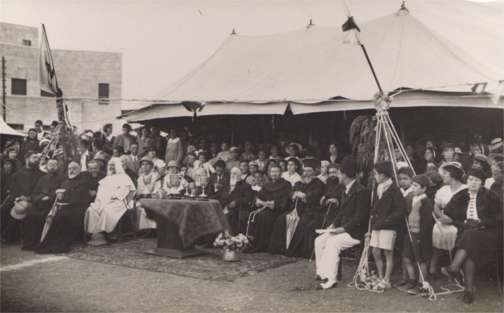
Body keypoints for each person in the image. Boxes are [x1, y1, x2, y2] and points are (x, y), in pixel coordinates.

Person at [441, 168, 502, 304]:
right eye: (470, 179)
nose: (473, 182)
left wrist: (481, 222)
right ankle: (469, 290)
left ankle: (454, 268)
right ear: (466, 180)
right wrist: (461, 222)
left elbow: (499, 218)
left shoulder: (490, 196)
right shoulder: (460, 195)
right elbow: (448, 214)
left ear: (481, 182)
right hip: (467, 235)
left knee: (471, 236)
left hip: (488, 234)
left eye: (476, 180)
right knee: (470, 246)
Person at [314, 157, 370, 290]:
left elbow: (360, 217)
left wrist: (342, 229)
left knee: (332, 243)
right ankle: (323, 273)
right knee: (320, 240)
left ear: (345, 174)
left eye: (339, 173)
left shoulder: (362, 191)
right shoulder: (345, 189)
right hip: (343, 229)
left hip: (355, 232)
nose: (337, 175)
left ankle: (331, 279)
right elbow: (341, 212)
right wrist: (333, 225)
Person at [270, 159, 325, 258]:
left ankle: (295, 250)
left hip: (311, 210)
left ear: (314, 172)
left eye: (309, 171)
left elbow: (316, 195)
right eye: (305, 171)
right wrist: (294, 194)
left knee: (302, 222)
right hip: (297, 209)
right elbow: (291, 192)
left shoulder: (318, 183)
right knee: (281, 219)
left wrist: (304, 195)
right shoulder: (300, 182)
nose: (306, 174)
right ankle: (281, 248)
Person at [36, 162, 93, 253]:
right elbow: (58, 196)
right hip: (64, 207)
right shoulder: (65, 182)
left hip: (78, 208)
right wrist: (57, 195)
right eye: (70, 168)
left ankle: (61, 246)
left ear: (79, 169)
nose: (71, 170)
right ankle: (49, 245)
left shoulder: (84, 182)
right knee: (57, 218)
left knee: (66, 217)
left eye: (74, 168)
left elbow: (79, 197)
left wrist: (63, 195)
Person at [369, 162, 406, 290]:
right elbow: (376, 206)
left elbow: (401, 210)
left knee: (387, 252)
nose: (374, 176)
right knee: (375, 251)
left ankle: (387, 279)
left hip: (389, 226)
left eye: (376, 174)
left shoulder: (394, 189)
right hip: (377, 225)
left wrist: (388, 220)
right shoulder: (378, 188)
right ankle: (380, 277)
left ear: (383, 175)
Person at [85, 157, 136, 245]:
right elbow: (100, 192)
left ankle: (103, 233)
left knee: (106, 210)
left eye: (113, 165)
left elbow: (124, 192)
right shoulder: (106, 178)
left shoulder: (124, 177)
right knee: (92, 209)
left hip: (119, 202)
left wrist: (111, 197)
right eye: (110, 165)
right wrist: (100, 200)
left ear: (118, 165)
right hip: (103, 201)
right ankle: (94, 233)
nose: (111, 167)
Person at [397, 174, 434, 292]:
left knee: (422, 259)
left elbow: (427, 222)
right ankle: (412, 279)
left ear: (424, 189)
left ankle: (421, 283)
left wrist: (420, 237)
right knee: (407, 257)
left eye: (416, 186)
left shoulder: (426, 201)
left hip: (422, 235)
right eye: (412, 185)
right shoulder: (413, 198)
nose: (413, 187)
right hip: (411, 232)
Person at [429, 162, 467, 278]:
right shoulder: (443, 189)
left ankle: (455, 267)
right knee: (437, 228)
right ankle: (433, 265)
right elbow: (436, 205)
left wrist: (452, 220)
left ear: (453, 175)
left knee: (454, 232)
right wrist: (441, 216)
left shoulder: (465, 189)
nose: (443, 176)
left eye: (445, 174)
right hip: (443, 219)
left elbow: (466, 211)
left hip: (459, 221)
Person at [21, 159, 66, 250]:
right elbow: (34, 193)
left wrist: (49, 197)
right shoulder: (42, 178)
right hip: (39, 204)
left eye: (54, 164)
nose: (52, 166)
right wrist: (39, 198)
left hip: (52, 205)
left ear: (58, 166)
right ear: (47, 166)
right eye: (50, 164)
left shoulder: (63, 178)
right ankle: (30, 243)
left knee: (42, 216)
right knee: (29, 215)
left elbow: (61, 193)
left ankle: (41, 243)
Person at [246, 164, 292, 252]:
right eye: (272, 172)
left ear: (281, 173)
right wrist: (258, 201)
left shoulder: (286, 184)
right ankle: (254, 243)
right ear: (269, 173)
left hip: (278, 210)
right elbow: (258, 196)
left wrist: (273, 204)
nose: (274, 174)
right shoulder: (267, 185)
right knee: (253, 215)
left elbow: (285, 201)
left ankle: (263, 245)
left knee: (263, 217)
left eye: (276, 172)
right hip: (266, 209)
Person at [1, 151, 43, 244]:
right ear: (27, 159)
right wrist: (16, 198)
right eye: (34, 158)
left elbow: (41, 191)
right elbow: (12, 190)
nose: (37, 160)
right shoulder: (17, 174)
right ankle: (7, 237)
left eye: (38, 158)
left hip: (33, 200)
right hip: (17, 200)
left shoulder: (41, 175)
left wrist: (29, 198)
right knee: (4, 209)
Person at [222, 167, 254, 234]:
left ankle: (233, 237)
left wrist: (236, 201)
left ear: (240, 175)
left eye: (235, 173)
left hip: (238, 208)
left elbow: (248, 198)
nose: (232, 175)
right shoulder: (226, 185)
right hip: (225, 206)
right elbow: (221, 196)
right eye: (231, 173)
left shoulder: (245, 186)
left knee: (230, 216)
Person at [136, 157, 161, 230]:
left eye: (147, 164)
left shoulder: (156, 176)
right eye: (143, 165)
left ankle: (153, 229)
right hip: (143, 198)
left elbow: (158, 188)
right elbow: (139, 191)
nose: (145, 166)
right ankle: (143, 229)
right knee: (139, 206)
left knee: (152, 206)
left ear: (151, 166)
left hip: (153, 197)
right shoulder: (140, 178)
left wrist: (152, 195)